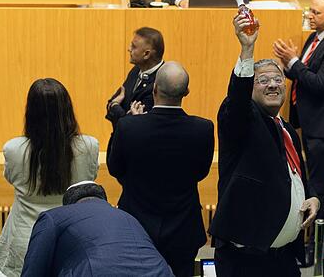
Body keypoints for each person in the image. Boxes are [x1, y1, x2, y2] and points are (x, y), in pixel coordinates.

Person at [209, 13, 320, 277]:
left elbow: (295, 174)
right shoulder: (242, 119)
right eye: (263, 81)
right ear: (250, 87)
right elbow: (237, 99)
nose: (272, 85)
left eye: (278, 80)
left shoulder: (288, 130)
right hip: (246, 261)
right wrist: (247, 50)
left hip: (284, 258)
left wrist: (312, 196)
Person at [107, 61, 215, 277]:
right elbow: (201, 172)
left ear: (154, 88)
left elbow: (114, 168)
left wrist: (134, 123)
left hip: (137, 226)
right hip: (183, 228)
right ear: (186, 92)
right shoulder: (203, 128)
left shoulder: (128, 126)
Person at [272, 0, 324, 252]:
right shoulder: (316, 37)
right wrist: (288, 66)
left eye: (316, 12)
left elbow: (319, 83)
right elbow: (305, 74)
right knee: (319, 180)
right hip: (312, 121)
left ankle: (318, 240)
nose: (310, 15)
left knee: (319, 183)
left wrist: (294, 62)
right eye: (310, 10)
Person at [0, 78, 99, 276]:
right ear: (67, 109)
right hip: (73, 237)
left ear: (30, 112)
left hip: (26, 240)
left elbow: (10, 178)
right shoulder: (89, 147)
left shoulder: (13, 149)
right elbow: (90, 178)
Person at [21, 181, 174, 277]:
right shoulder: (127, 216)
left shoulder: (54, 216)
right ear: (103, 200)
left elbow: (33, 270)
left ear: (68, 204)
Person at [105, 27, 165, 122]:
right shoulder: (137, 70)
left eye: (133, 46)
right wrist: (115, 106)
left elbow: (133, 124)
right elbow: (111, 103)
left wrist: (115, 105)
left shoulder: (161, 81)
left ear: (146, 54)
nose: (129, 49)